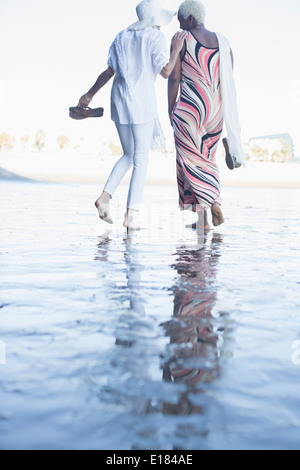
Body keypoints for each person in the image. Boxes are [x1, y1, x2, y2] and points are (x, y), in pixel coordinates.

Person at [77, 0, 186, 230]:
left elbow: (109, 72)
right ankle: (130, 217)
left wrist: (88, 96)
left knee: (128, 154)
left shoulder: (121, 36)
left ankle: (104, 198)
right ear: (155, 20)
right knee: (141, 159)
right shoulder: (155, 37)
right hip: (141, 103)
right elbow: (166, 72)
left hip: (119, 101)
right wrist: (175, 49)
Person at [168, 0, 244, 232]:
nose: (180, 26)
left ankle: (214, 201)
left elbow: (174, 77)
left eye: (181, 21)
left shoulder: (183, 39)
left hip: (189, 110)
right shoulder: (224, 43)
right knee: (206, 160)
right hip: (215, 114)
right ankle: (203, 222)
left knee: (189, 161)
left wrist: (171, 108)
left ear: (189, 19)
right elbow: (227, 78)